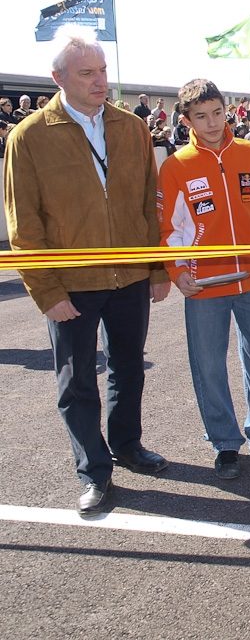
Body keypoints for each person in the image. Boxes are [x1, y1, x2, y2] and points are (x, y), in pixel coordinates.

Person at [3, 30, 171, 517]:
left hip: (130, 279)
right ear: (58, 79)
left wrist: (156, 266)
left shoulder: (131, 127)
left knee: (128, 368)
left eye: (102, 70)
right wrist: (45, 290)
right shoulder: (29, 137)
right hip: (70, 285)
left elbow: (148, 203)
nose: (102, 81)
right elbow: (24, 224)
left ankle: (128, 446)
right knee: (77, 381)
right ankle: (94, 471)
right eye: (88, 73)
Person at [158, 78, 250, 480]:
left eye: (217, 113)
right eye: (201, 116)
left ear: (228, 111)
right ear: (186, 120)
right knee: (208, 365)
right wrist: (178, 271)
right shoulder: (176, 166)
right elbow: (168, 228)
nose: (212, 123)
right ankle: (224, 442)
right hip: (204, 284)